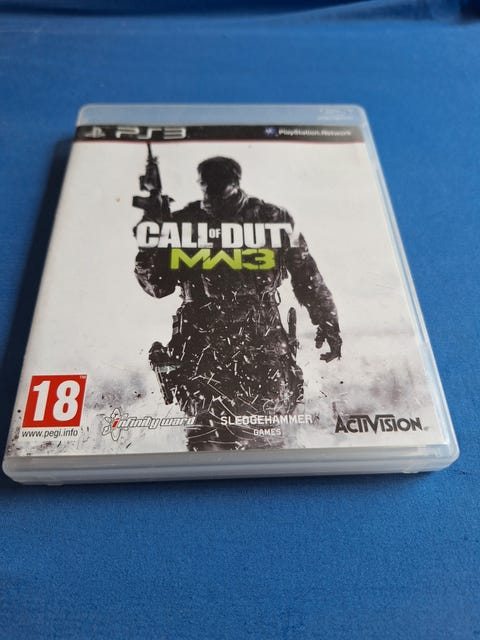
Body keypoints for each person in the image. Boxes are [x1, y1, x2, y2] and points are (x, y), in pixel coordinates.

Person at [134, 155, 342, 451]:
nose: (214, 193)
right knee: (206, 439)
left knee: (265, 434)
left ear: (235, 183)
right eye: (208, 185)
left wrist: (328, 322)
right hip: (202, 347)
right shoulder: (182, 223)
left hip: (260, 343)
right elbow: (157, 286)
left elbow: (307, 275)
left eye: (221, 185)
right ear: (201, 184)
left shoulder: (272, 218)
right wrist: (151, 237)